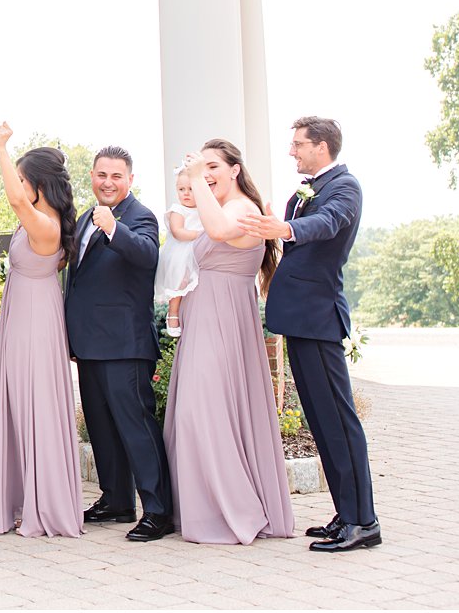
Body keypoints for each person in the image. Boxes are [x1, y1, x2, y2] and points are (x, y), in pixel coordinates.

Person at [240, 116, 380, 552]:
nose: (292, 151)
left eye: (299, 144)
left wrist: (287, 229)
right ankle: (345, 513)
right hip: (299, 318)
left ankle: (364, 522)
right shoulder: (306, 189)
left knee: (339, 420)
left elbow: (331, 222)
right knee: (321, 421)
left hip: (319, 318)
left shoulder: (344, 186)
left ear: (322, 146)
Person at [165, 141, 294, 545]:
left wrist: (197, 177)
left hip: (224, 322)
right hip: (204, 319)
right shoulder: (217, 207)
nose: (207, 174)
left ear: (235, 170)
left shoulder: (242, 210)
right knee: (196, 412)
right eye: (204, 167)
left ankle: (234, 509)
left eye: (214, 166)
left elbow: (219, 231)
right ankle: (205, 508)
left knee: (200, 412)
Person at [65, 145, 173, 542]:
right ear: (91, 177)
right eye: (101, 175)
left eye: (116, 176)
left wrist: (113, 228)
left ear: (129, 180)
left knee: (136, 427)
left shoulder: (139, 217)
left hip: (124, 344)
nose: (107, 183)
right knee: (101, 427)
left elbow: (146, 256)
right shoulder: (83, 219)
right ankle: (116, 500)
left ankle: (159, 511)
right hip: (90, 343)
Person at [0, 128, 83, 537]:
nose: (19, 187)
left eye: (24, 179)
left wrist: (1, 149)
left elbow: (14, 199)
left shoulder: (46, 225)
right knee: (20, 403)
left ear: (38, 185)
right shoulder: (42, 222)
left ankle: (44, 504)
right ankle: (25, 497)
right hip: (23, 314)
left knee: (34, 402)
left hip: (35, 322)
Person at [155, 170, 204, 338]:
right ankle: (173, 312)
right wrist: (202, 234)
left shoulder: (204, 209)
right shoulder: (177, 209)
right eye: (181, 189)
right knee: (180, 281)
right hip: (180, 252)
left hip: (198, 251)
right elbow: (178, 232)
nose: (186, 194)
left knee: (195, 282)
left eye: (191, 189)